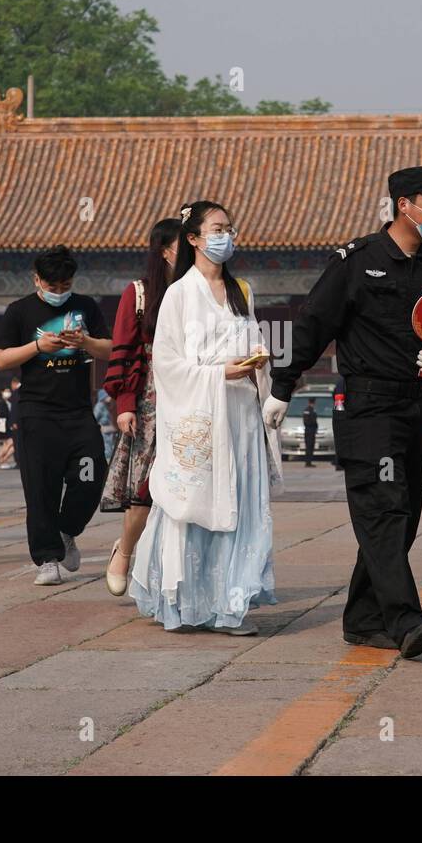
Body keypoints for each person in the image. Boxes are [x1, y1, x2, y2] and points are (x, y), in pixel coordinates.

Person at [264, 166, 422, 659]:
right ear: (405, 204)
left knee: (405, 515)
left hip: (416, 404)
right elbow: (313, 323)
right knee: (383, 506)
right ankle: (405, 620)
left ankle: (362, 619)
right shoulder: (356, 261)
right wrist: (282, 387)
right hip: (369, 407)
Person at [130, 200, 280, 635]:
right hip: (201, 415)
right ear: (193, 238)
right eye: (217, 228)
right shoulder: (179, 295)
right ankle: (189, 600)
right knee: (195, 506)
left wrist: (256, 365)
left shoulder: (241, 291)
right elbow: (167, 363)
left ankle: (232, 603)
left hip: (240, 416)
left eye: (230, 228)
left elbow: (254, 343)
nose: (226, 236)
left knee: (240, 503)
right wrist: (219, 373)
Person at [0, 245, 112, 585]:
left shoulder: (86, 306)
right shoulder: (19, 311)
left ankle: (67, 530)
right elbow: (0, 360)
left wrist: (86, 341)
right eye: (53, 286)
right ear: (37, 280)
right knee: (40, 489)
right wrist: (38, 347)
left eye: (65, 285)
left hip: (77, 413)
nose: (59, 292)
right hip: (36, 413)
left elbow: (110, 347)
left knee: (91, 476)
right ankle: (46, 558)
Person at [100, 218, 181, 596]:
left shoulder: (203, 290)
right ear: (165, 250)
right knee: (145, 487)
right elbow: (125, 350)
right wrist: (126, 403)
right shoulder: (139, 293)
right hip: (152, 399)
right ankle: (125, 549)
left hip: (194, 395)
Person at [94, 389, 116, 460]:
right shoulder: (99, 406)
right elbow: (94, 421)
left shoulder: (108, 406)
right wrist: (102, 428)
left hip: (110, 437)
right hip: (103, 437)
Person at [302, 399, 319, 466]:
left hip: (312, 431)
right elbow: (306, 421)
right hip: (309, 431)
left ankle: (309, 462)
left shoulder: (313, 410)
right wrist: (313, 424)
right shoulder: (307, 410)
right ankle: (308, 462)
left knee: (311, 446)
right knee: (309, 447)